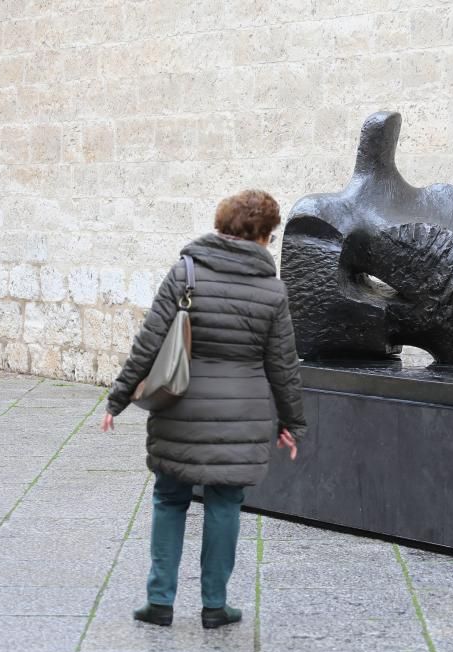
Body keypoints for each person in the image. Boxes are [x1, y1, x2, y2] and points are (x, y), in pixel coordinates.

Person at [101, 189, 306, 629]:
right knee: (225, 504)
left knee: (169, 499)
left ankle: (159, 600)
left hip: (182, 406)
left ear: (221, 224)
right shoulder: (272, 291)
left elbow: (149, 342)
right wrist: (292, 422)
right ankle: (215, 605)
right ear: (267, 237)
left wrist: (118, 400)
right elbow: (283, 365)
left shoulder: (186, 273)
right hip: (244, 412)